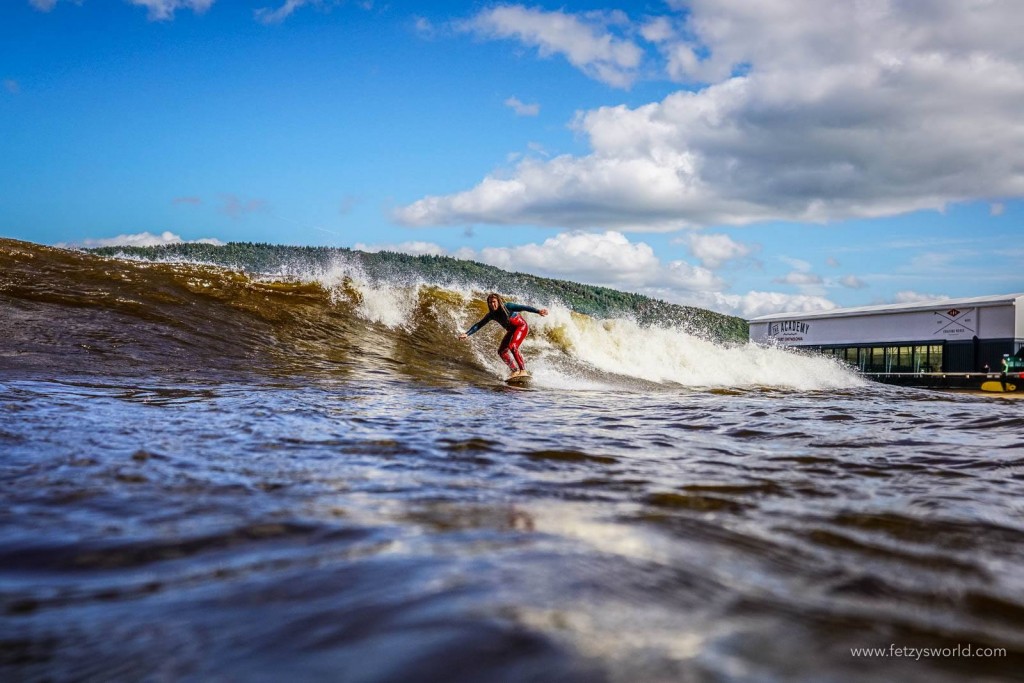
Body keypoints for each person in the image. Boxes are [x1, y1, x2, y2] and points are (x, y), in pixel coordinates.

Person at [458, 293, 548, 378]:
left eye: (494, 302)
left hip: (521, 326)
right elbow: (479, 325)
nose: (493, 304)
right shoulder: (491, 315)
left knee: (513, 346)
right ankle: (515, 371)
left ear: (498, 301)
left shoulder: (507, 306)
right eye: (490, 302)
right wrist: (467, 334)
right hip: (511, 331)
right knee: (501, 352)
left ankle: (523, 371)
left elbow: (523, 307)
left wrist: (538, 311)